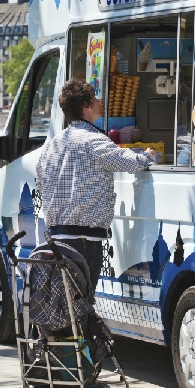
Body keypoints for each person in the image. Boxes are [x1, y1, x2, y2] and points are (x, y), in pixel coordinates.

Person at [35, 79, 155, 298]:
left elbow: (40, 181)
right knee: (83, 297)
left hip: (56, 235)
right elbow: (130, 162)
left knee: (65, 298)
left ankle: (67, 332)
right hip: (85, 238)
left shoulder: (53, 144)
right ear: (86, 106)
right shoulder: (94, 141)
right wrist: (149, 155)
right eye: (95, 98)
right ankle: (80, 333)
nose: (100, 101)